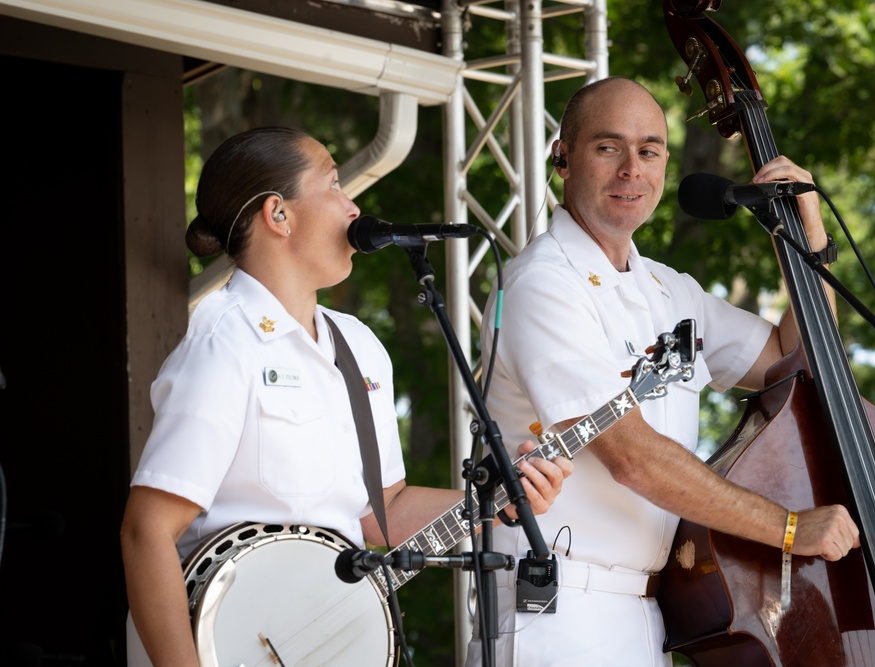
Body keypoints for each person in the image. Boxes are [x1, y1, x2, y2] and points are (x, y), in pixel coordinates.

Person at [119, 126, 573, 666]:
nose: (354, 207)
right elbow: (146, 531)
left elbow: (382, 514)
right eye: (334, 185)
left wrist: (497, 501)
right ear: (278, 215)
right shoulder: (226, 342)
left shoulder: (358, 345)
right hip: (219, 642)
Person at [464, 77, 861, 667]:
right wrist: (786, 528)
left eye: (648, 150)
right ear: (563, 158)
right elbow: (632, 457)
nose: (632, 169)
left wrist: (806, 236)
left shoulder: (669, 289)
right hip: (556, 611)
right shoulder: (543, 281)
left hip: (647, 616)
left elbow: (799, 358)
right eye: (608, 147)